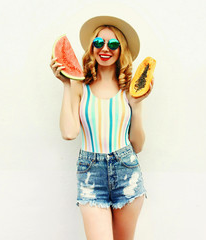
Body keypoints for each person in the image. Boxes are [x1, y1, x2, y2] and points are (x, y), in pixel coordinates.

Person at [50, 15, 153, 240]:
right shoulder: (80, 86)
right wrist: (67, 84)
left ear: (121, 49)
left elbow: (138, 144)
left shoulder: (129, 88)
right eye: (99, 43)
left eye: (113, 44)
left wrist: (136, 104)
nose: (105, 48)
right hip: (90, 173)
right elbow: (69, 133)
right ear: (92, 47)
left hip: (127, 169)